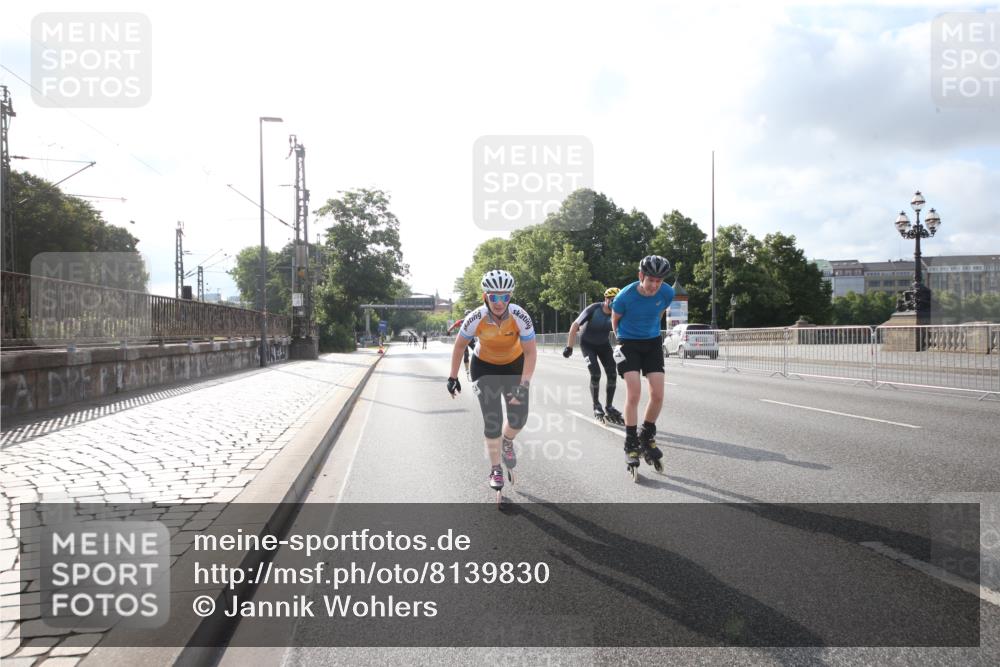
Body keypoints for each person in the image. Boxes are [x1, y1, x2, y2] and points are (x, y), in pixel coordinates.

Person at [447, 270, 536, 496]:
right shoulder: (475, 317)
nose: (499, 302)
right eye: (494, 297)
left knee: (519, 418)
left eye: (505, 297)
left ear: (510, 297)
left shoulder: (520, 316)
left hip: (514, 365)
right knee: (492, 419)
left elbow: (531, 353)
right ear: (485, 296)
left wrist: (523, 385)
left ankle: (508, 441)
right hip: (483, 366)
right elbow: (459, 346)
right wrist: (453, 377)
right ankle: (495, 468)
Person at [611, 255, 674, 476]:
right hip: (628, 342)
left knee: (657, 394)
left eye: (659, 281)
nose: (655, 286)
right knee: (634, 393)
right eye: (651, 280)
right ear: (641, 276)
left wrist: (650, 328)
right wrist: (620, 341)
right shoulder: (624, 297)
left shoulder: (667, 293)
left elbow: (659, 312)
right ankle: (630, 441)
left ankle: (646, 434)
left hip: (653, 342)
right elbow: (615, 320)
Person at [564, 287, 624, 425]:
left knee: (612, 374)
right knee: (595, 374)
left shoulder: (619, 312)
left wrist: (624, 355)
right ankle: (596, 405)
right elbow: (575, 325)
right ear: (606, 299)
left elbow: (622, 332)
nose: (614, 303)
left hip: (603, 345)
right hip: (587, 345)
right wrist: (569, 347)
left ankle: (609, 406)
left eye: (617, 300)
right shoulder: (594, 309)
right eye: (612, 300)